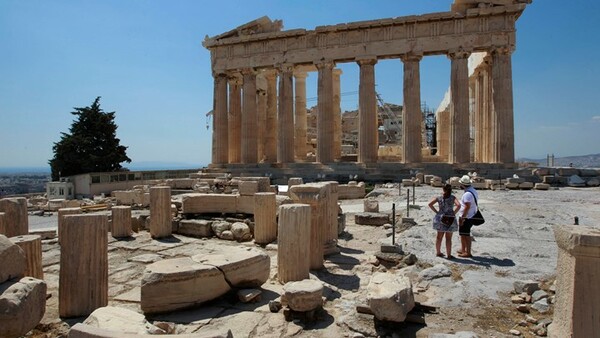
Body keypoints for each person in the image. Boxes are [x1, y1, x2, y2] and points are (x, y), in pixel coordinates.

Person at [428, 184, 460, 259]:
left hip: (440, 218)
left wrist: (437, 212)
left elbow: (430, 204)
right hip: (450, 219)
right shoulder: (453, 197)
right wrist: (453, 213)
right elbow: (458, 205)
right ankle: (449, 255)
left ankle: (438, 252)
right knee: (448, 238)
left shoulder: (439, 197)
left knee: (439, 237)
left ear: (443, 189)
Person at [457, 175, 479, 258]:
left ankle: (468, 252)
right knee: (463, 233)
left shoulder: (467, 194)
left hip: (467, 217)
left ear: (463, 184)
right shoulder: (472, 190)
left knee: (466, 234)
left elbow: (467, 206)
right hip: (471, 215)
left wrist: (463, 218)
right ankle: (463, 249)